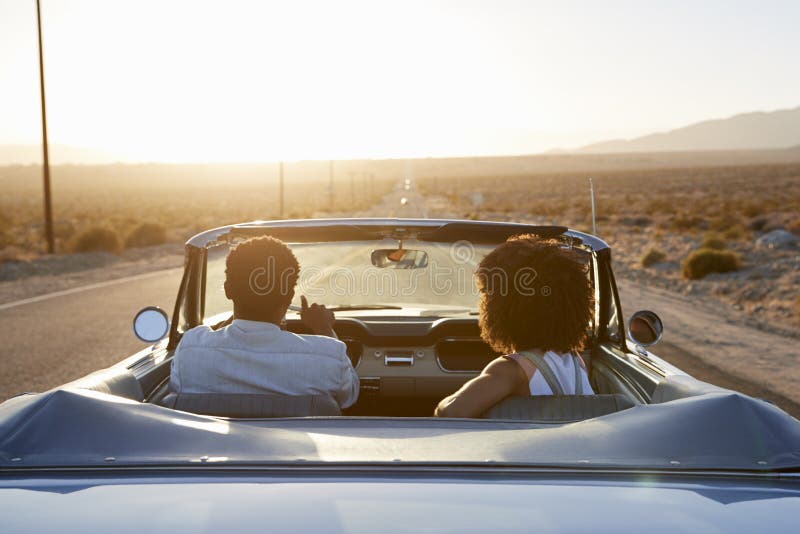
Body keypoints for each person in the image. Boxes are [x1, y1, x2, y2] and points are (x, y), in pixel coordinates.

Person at [170, 236, 359, 409]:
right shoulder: (329, 355)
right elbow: (349, 397)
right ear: (289, 296)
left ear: (228, 290)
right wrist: (324, 328)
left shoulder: (190, 350)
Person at [435, 235, 594, 418]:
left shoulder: (511, 370)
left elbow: (450, 412)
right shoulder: (576, 362)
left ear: (503, 309)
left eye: (488, 296)